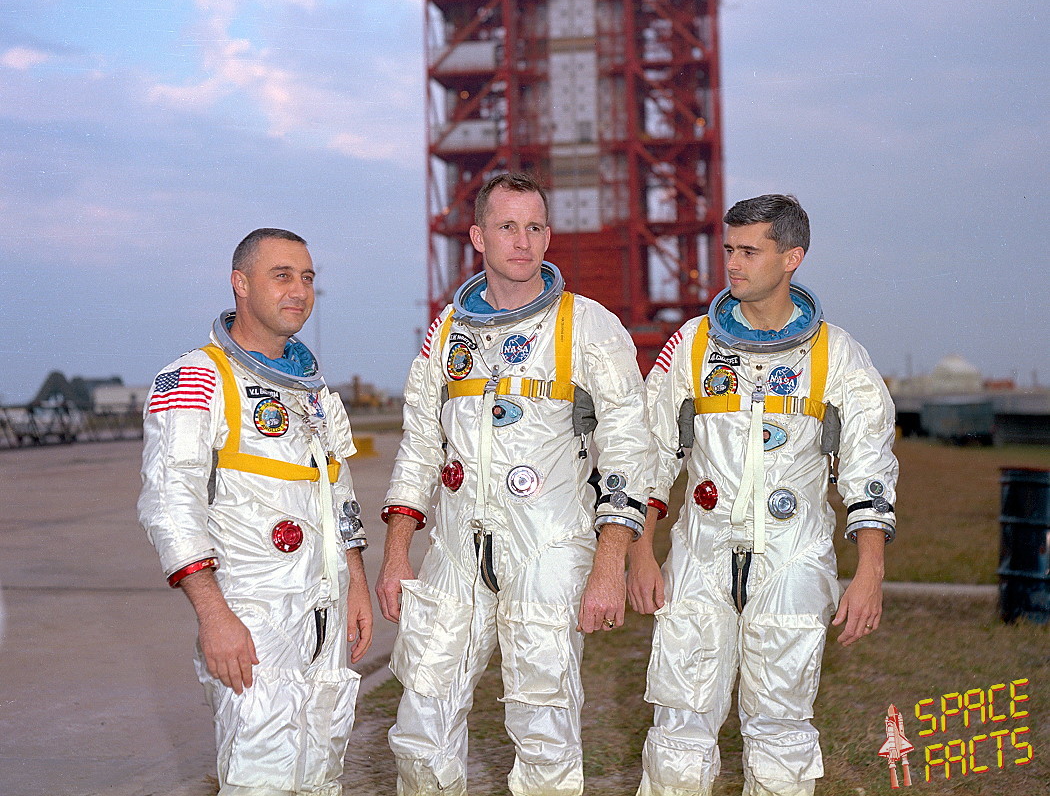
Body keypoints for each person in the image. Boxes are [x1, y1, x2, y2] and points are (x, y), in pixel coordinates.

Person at [376, 173, 653, 796]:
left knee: (543, 724)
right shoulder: (448, 332)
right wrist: (396, 556)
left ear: (549, 237)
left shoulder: (588, 325)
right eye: (507, 227)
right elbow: (419, 445)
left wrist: (609, 564)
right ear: (478, 237)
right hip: (456, 551)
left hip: (548, 547)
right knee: (421, 719)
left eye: (534, 227)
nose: (522, 241)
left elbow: (629, 451)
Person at [629, 195, 898, 796]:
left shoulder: (837, 356)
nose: (732, 263)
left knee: (781, 730)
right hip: (700, 557)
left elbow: (869, 470)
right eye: (729, 249)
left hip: (792, 557)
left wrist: (870, 572)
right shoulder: (693, 345)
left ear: (792, 257)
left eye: (750, 251)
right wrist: (641, 552)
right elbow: (650, 453)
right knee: (678, 728)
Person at [138, 228, 372, 796]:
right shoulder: (196, 377)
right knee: (260, 778)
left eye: (307, 277)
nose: (299, 290)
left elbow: (338, 492)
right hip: (251, 619)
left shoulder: (314, 393)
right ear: (240, 284)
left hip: (323, 613)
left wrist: (356, 584)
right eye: (281, 275)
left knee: (321, 775)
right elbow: (168, 504)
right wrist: (214, 616)